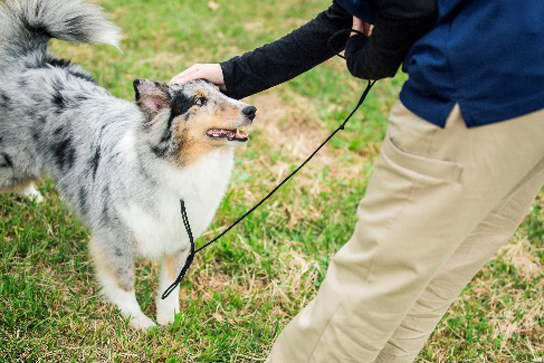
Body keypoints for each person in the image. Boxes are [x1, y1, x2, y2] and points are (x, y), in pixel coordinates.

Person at [171, 0, 544, 362]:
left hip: (480, 85)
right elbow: (346, 15)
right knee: (436, 270)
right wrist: (235, 74)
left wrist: (369, 59)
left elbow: (406, 7)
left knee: (375, 279)